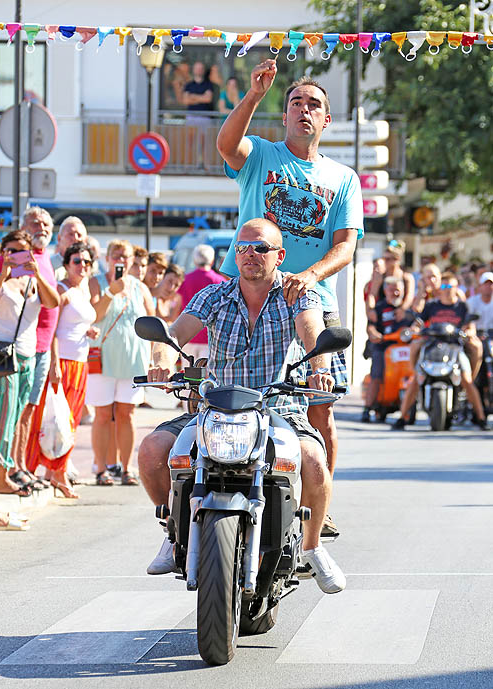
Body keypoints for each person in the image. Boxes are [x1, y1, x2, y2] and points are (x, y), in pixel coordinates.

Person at [138, 218, 346, 594]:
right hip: (215, 409)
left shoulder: (297, 294)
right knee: (153, 449)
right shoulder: (214, 296)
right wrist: (161, 358)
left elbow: (312, 330)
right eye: (243, 247)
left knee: (314, 460)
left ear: (279, 255)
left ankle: (313, 547)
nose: (250, 254)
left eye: (260, 248)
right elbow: (174, 333)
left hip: (279, 408)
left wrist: (319, 369)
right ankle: (173, 532)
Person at [216, 63, 364, 532]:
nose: (304, 110)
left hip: (311, 298)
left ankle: (319, 506)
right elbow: (225, 145)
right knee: (231, 392)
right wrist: (254, 95)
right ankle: (221, 483)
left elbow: (346, 244)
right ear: (284, 116)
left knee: (318, 403)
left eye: (314, 104)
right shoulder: (261, 155)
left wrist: (308, 274)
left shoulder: (342, 177)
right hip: (248, 289)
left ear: (326, 121)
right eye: (296, 103)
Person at [0, 207, 59, 488]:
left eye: (22, 251)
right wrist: (3, 274)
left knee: (16, 416)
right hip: (1, 354)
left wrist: (37, 274)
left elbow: (53, 303)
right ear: (3, 252)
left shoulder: (33, 278)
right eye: (12, 250)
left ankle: (6, 473)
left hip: (28, 354)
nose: (17, 255)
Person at [27, 242, 99, 498]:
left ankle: (58, 470)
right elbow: (51, 330)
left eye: (87, 262)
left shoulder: (84, 291)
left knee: (72, 421)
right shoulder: (62, 290)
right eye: (77, 261)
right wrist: (54, 363)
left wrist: (90, 331)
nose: (83, 266)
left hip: (81, 361)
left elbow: (75, 325)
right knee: (53, 418)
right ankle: (38, 468)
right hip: (63, 363)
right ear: (67, 264)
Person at [86, 240, 155, 486]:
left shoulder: (140, 287)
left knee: (127, 414)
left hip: (133, 361)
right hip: (102, 359)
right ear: (108, 257)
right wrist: (111, 292)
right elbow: (94, 315)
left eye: (125, 256)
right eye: (116, 254)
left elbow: (152, 321)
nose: (121, 260)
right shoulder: (96, 282)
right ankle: (101, 468)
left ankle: (127, 468)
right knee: (103, 414)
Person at [393, 272, 488, 430]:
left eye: (450, 286)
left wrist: (469, 332)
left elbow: (470, 326)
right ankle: (402, 417)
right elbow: (418, 323)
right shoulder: (431, 306)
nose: (446, 289)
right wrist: (414, 330)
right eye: (443, 286)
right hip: (432, 345)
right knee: (417, 377)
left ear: (456, 287)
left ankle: (480, 417)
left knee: (467, 380)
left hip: (455, 346)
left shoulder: (462, 307)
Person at [362, 277, 415, 422]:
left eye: (398, 289)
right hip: (383, 347)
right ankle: (367, 408)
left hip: (403, 349)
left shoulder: (408, 310)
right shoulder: (379, 308)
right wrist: (374, 333)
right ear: (385, 291)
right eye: (391, 289)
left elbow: (416, 325)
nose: (395, 292)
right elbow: (371, 326)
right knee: (377, 374)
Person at [178, 244, 226, 361]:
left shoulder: (185, 279)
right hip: (210, 338)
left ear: (194, 260)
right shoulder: (220, 281)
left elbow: (178, 305)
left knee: (187, 374)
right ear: (212, 260)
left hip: (187, 336)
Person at [366, 241, 415, 319]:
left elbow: (410, 296)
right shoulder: (380, 277)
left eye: (388, 259)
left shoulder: (406, 277)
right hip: (383, 316)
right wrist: (370, 310)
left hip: (401, 316)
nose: (385, 261)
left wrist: (402, 309)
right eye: (384, 258)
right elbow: (372, 295)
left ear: (397, 260)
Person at [51, 216, 87, 281]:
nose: (75, 238)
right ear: (59, 238)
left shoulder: (88, 265)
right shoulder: (50, 264)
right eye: (70, 234)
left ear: (85, 240)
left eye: (79, 235)